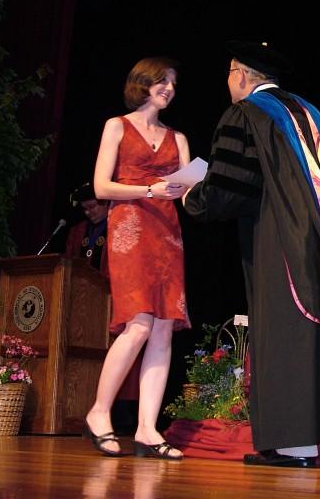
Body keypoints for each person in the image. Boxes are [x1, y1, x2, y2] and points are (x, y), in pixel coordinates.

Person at [183, 40, 320, 468]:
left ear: (240, 74)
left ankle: (298, 448)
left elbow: (231, 190)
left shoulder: (246, 115)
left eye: (228, 73)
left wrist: (191, 197)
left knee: (292, 333)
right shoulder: (312, 113)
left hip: (284, 241)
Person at [84, 56, 190, 460]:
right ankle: (98, 412)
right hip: (129, 227)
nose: (169, 88)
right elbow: (101, 185)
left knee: (163, 329)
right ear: (142, 83)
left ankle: (147, 428)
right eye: (162, 81)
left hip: (167, 233)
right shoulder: (117, 125)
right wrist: (149, 191)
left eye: (174, 84)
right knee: (140, 324)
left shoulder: (178, 138)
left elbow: (185, 189)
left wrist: (197, 190)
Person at [65, 182, 110, 277]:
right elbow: (69, 261)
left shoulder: (116, 228)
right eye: (84, 208)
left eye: (91, 207)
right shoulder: (77, 231)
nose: (87, 212)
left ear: (105, 203)